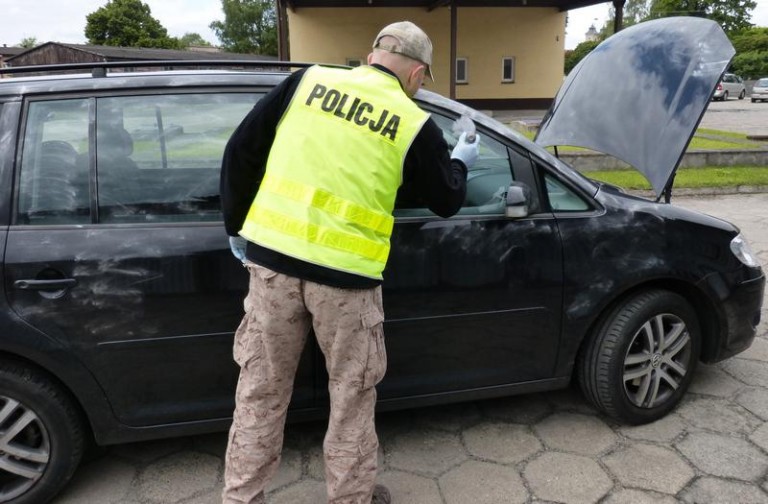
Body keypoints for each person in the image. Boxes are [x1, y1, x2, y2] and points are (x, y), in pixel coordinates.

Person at [220, 20, 479, 504]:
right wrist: (461, 158)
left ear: (372, 53)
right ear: (418, 73)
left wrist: (236, 228)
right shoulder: (411, 119)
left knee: (260, 394)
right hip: (346, 282)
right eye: (422, 80)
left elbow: (242, 149)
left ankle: (240, 499)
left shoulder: (307, 81)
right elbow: (446, 199)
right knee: (351, 400)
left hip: (272, 266)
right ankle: (350, 499)